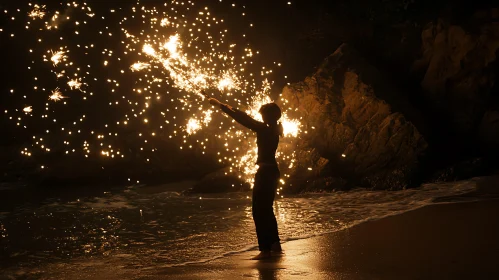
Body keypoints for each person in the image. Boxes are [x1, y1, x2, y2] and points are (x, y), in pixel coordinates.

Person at [208, 97, 283, 260]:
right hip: (272, 171)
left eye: (263, 115)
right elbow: (248, 119)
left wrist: (222, 105)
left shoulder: (265, 129)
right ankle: (275, 244)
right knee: (267, 209)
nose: (261, 117)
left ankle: (265, 249)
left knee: (258, 210)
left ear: (268, 116)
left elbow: (244, 119)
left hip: (265, 173)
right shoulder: (274, 129)